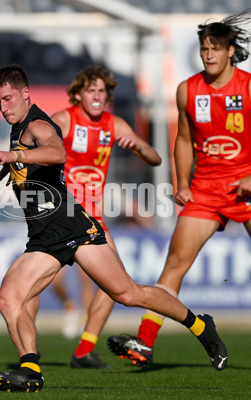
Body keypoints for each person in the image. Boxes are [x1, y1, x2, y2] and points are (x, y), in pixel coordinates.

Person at [0, 64, 228, 392]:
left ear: (25, 93)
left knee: (127, 293)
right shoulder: (19, 127)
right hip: (44, 236)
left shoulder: (37, 124)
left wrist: (13, 156)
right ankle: (30, 370)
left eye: (8, 99)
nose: (3, 107)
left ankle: (200, 325)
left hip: (71, 226)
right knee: (10, 298)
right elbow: (35, 162)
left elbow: (57, 151)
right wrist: (17, 166)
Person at [106, 10, 251, 373]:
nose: (208, 54)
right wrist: (181, 184)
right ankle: (144, 344)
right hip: (205, 192)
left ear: (230, 51)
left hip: (246, 189)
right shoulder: (188, 90)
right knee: (174, 266)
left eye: (215, 48)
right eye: (204, 48)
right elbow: (182, 140)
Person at [50, 65, 162, 367]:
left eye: (102, 91)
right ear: (78, 94)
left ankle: (84, 350)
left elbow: (155, 157)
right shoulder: (63, 120)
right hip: (61, 216)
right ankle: (27, 355)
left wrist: (138, 145)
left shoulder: (115, 124)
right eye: (91, 90)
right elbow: (36, 144)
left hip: (93, 219)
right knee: (42, 283)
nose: (98, 96)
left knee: (113, 282)